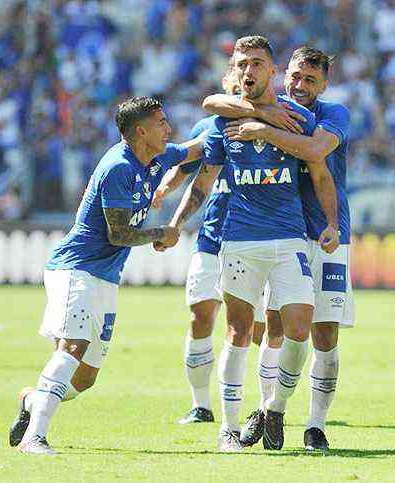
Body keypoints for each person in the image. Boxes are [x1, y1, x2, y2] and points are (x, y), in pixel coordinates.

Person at [159, 36, 339, 452]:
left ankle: (273, 407)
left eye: (257, 63)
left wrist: (331, 223)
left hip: (289, 237)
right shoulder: (222, 120)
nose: (248, 71)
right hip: (239, 240)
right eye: (242, 64)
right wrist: (167, 193)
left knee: (298, 331)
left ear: (272, 71)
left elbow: (319, 172)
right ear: (234, 70)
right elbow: (204, 171)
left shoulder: (297, 118)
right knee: (239, 332)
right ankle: (228, 429)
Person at [9, 97, 203, 455]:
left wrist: (243, 120)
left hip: (106, 276)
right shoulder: (118, 167)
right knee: (72, 348)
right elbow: (118, 234)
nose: (169, 129)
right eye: (162, 123)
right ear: (141, 132)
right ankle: (34, 438)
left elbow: (196, 149)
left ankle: (33, 401)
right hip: (76, 269)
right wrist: (162, 233)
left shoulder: (156, 156)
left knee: (86, 378)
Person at [203, 46, 352, 452]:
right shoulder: (240, 113)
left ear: (324, 84)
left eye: (311, 80)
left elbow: (316, 156)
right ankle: (257, 415)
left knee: (322, 332)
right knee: (267, 329)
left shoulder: (326, 117)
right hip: (261, 236)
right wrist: (263, 114)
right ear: (281, 74)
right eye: (297, 77)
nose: (301, 86)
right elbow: (211, 104)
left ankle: (310, 423)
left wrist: (265, 128)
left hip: (320, 232)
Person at [150, 69, 268, 425]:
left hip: (256, 239)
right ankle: (201, 405)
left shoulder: (269, 128)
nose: (238, 91)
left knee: (259, 328)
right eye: (233, 85)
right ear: (226, 89)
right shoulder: (209, 128)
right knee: (201, 314)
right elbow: (188, 170)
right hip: (213, 237)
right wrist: (164, 193)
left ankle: (266, 405)